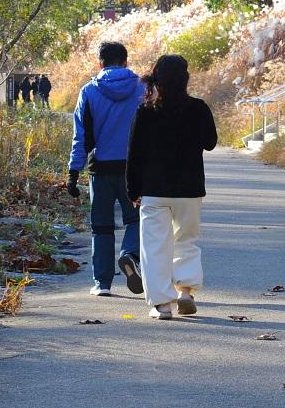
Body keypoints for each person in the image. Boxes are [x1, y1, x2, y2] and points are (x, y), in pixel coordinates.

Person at [126, 54, 217, 320]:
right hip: (189, 189)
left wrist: (133, 190)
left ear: (157, 79)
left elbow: (134, 155)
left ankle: (162, 305)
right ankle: (186, 291)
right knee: (186, 241)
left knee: (155, 247)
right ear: (185, 79)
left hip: (153, 190)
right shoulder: (199, 108)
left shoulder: (145, 111)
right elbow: (210, 142)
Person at [67, 42, 146, 296]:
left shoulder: (89, 91)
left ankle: (102, 283)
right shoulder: (142, 89)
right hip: (133, 168)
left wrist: (73, 171)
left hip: (99, 168)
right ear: (125, 61)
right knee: (136, 220)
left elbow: (81, 136)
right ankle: (129, 255)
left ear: (100, 63)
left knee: (101, 226)